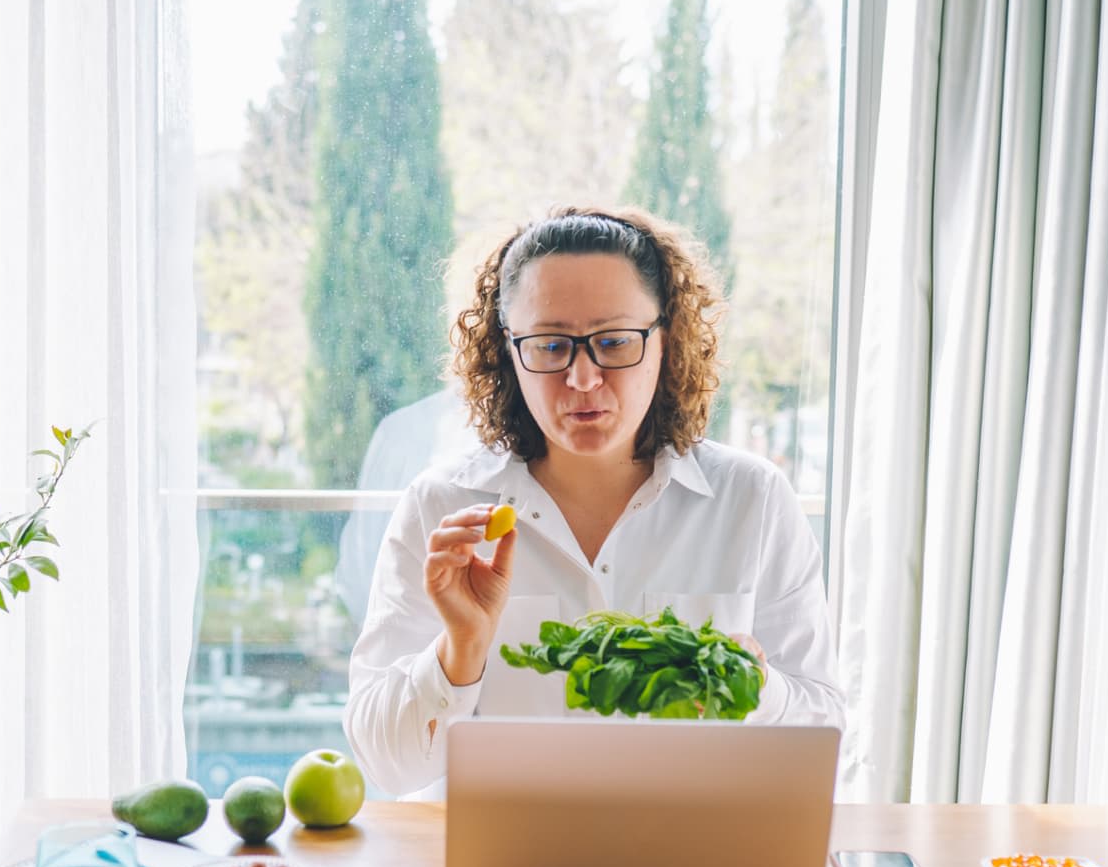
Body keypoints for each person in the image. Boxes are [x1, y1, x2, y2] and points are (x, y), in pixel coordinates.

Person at [344, 206, 844, 799]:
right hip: (504, 866)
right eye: (551, 346)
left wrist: (752, 686)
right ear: (509, 349)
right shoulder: (441, 507)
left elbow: (825, 735)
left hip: (695, 856)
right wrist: (461, 649)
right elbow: (384, 766)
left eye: (613, 342)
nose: (582, 379)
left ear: (666, 339)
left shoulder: (752, 500)